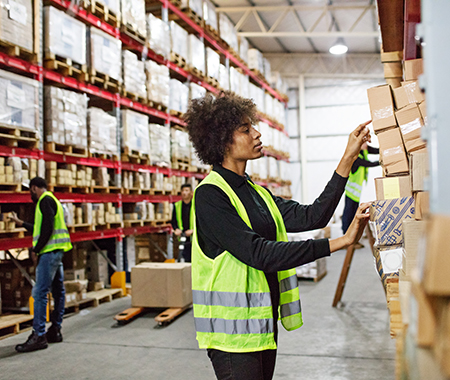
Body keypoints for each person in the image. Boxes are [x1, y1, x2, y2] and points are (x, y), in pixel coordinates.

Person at [185, 91, 371, 380]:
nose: (257, 134)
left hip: (261, 324)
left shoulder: (256, 193)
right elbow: (260, 254)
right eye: (246, 129)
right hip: (233, 337)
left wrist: (348, 157)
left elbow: (313, 216)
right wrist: (340, 242)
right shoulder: (210, 196)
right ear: (221, 140)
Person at [8, 177, 72, 353]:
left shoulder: (44, 201)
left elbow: (48, 227)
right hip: (57, 251)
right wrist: (21, 224)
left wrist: (36, 249)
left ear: (34, 188)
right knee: (58, 290)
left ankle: (38, 335)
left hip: (49, 252)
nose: (30, 194)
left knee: (40, 292)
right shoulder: (53, 200)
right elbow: (41, 226)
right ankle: (55, 330)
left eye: (30, 191)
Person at [342, 142, 380, 242]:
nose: (366, 145)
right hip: (351, 192)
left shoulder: (364, 151)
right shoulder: (356, 158)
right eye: (364, 143)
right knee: (349, 214)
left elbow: (377, 150)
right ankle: (345, 237)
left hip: (356, 193)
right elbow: (368, 164)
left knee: (353, 213)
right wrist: (382, 161)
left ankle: (352, 239)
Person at [171, 183, 194, 262]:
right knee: (184, 258)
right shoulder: (177, 205)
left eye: (187, 190)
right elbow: (173, 221)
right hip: (182, 237)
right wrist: (176, 229)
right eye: (183, 191)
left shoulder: (196, 205)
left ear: (191, 192)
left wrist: (193, 230)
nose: (184, 193)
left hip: (194, 238)